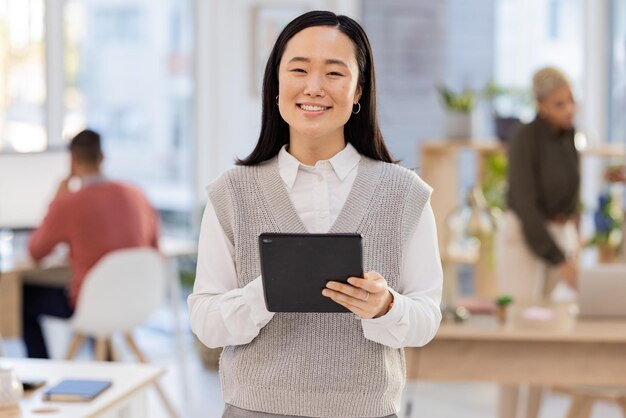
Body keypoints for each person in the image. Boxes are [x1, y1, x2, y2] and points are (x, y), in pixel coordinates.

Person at [188, 10, 442, 418]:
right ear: (276, 84)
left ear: (359, 90)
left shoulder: (404, 194)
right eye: (299, 69)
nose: (313, 87)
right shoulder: (232, 193)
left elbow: (427, 318)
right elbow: (206, 323)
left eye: (335, 73)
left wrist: (385, 307)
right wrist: (271, 289)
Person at [24, 129, 159, 359]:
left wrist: (56, 200)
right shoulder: (136, 194)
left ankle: (41, 374)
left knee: (24, 297)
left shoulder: (68, 204)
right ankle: (106, 366)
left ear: (72, 161)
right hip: (136, 300)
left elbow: (35, 251)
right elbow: (154, 246)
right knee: (95, 292)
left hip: (93, 304)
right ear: (102, 157)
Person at [496, 67, 580, 418]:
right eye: (560, 103)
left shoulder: (568, 136)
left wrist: (572, 243)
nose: (569, 109)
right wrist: (559, 258)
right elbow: (527, 205)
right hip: (524, 236)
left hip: (557, 235)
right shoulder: (525, 138)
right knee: (518, 335)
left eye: (571, 100)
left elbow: (572, 194)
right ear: (541, 105)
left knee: (546, 335)